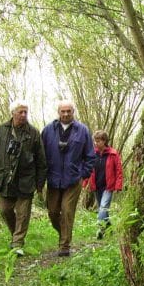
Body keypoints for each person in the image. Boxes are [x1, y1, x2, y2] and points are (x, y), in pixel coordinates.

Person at [0, 100, 47, 255]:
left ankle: (17, 243)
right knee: (4, 210)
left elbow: (41, 160)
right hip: (4, 180)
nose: (24, 115)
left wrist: (39, 185)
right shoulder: (1, 130)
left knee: (23, 213)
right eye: (20, 112)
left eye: (26, 112)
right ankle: (16, 236)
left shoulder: (33, 133)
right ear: (13, 113)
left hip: (26, 181)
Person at [42, 100, 96, 256]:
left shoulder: (83, 130)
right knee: (53, 212)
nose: (66, 114)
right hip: (53, 179)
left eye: (69, 111)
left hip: (73, 180)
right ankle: (64, 233)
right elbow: (40, 155)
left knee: (67, 211)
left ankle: (64, 246)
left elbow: (90, 156)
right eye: (63, 111)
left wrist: (83, 174)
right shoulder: (48, 130)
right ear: (58, 112)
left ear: (73, 112)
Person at [84, 130, 123, 239]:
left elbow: (119, 170)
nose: (96, 143)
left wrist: (118, 185)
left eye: (98, 141)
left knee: (102, 208)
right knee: (104, 210)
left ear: (104, 141)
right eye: (95, 141)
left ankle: (100, 230)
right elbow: (88, 169)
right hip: (96, 186)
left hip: (108, 187)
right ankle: (110, 230)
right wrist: (85, 182)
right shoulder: (92, 154)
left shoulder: (113, 154)